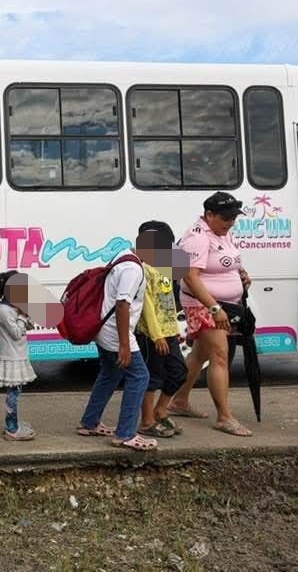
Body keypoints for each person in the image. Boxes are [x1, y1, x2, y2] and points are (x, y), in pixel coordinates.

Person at [169, 192, 253, 437]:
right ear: (209, 215)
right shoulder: (197, 238)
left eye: (233, 218)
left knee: (199, 355)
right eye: (226, 218)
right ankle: (224, 417)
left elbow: (229, 262)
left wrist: (242, 275)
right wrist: (214, 308)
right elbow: (190, 277)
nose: (230, 223)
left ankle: (179, 400)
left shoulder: (223, 234)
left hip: (225, 303)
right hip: (202, 304)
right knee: (220, 355)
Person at [76, 248, 155, 451]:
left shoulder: (123, 255)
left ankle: (89, 422)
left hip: (103, 328)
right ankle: (126, 434)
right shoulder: (132, 269)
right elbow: (122, 305)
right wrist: (124, 345)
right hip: (115, 332)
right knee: (139, 377)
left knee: (110, 373)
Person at [134, 222, 188, 439]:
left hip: (168, 332)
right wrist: (157, 336)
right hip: (150, 334)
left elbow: (169, 303)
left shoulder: (167, 269)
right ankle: (146, 422)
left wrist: (173, 329)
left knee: (178, 371)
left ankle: (160, 410)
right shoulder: (143, 270)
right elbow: (147, 306)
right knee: (152, 377)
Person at [0, 270, 38, 441]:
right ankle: (11, 428)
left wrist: (26, 313)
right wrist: (23, 315)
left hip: (18, 355)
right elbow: (17, 333)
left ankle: (14, 423)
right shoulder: (4, 310)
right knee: (13, 394)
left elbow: (28, 326)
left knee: (16, 392)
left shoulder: (14, 306)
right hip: (11, 357)